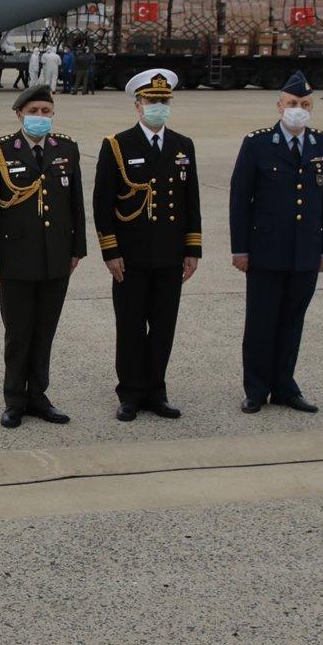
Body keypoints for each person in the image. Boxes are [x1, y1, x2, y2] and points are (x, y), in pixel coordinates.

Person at [93, 69, 200, 421]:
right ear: (137, 105)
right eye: (152, 101)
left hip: (169, 254)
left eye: (164, 101)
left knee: (164, 325)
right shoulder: (118, 145)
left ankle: (157, 390)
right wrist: (111, 252)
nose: (159, 107)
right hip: (132, 255)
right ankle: (130, 393)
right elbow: (103, 203)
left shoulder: (183, 146)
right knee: (130, 325)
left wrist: (192, 249)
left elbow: (191, 202)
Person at [0, 85, 86, 428]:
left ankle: (38, 396)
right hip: (15, 258)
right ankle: (14, 399)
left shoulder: (66, 149)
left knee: (44, 331)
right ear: (19, 114)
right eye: (34, 111)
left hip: (55, 256)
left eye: (46, 111)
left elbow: (76, 204)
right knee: (18, 332)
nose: (40, 117)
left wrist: (76, 248)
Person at [230, 71, 323, 414]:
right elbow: (240, 200)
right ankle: (256, 389)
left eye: (305, 105)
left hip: (305, 253)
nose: (298, 110)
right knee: (261, 322)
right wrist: (240, 249)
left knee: (293, 322)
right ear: (279, 106)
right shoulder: (258, 143)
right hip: (265, 252)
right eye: (292, 104)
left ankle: (285, 387)